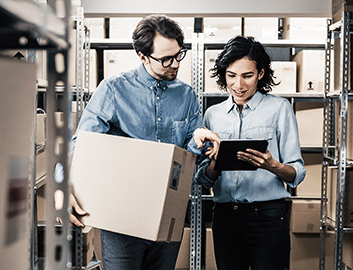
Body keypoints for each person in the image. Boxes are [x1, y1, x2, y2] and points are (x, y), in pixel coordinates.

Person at [68, 14, 220, 270]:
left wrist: (197, 142)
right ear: (141, 56)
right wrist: (64, 182)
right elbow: (81, 144)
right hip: (121, 219)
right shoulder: (114, 90)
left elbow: (188, 162)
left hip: (167, 217)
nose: (175, 64)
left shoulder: (187, 96)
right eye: (165, 59)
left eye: (178, 55)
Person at [194, 36, 306, 270]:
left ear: (261, 74)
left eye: (247, 76)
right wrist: (214, 162)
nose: (238, 85)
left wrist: (270, 165)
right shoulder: (213, 115)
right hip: (225, 217)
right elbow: (203, 178)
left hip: (267, 216)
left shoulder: (279, 109)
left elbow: (296, 172)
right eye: (231, 75)